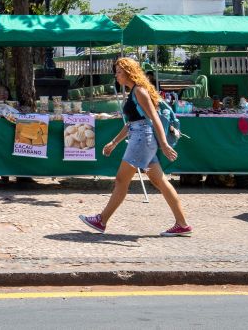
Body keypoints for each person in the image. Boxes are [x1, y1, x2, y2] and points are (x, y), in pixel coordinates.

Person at [79, 57, 192, 237]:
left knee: (121, 180)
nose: (116, 75)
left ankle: (102, 220)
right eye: (116, 71)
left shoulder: (139, 91)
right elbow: (132, 123)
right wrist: (114, 142)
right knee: (159, 181)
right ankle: (182, 224)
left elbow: (154, 119)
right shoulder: (135, 91)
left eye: (119, 72)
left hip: (142, 140)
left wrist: (163, 144)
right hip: (141, 138)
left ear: (128, 72)